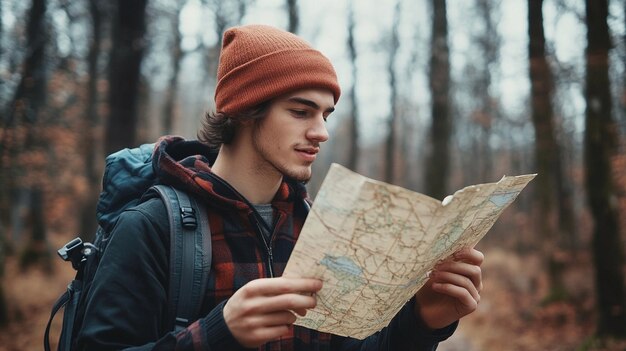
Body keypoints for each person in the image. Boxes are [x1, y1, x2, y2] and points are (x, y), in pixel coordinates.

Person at [77, 24, 484, 351]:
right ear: (243, 110)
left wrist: (424, 321)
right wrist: (218, 335)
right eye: (300, 111)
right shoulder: (152, 226)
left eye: (326, 114)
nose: (321, 132)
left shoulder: (321, 229)